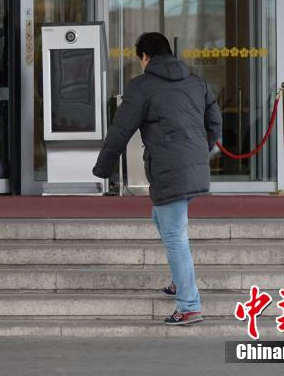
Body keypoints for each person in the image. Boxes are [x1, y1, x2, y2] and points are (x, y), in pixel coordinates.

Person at [93, 32, 221, 326]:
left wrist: (103, 168)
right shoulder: (197, 81)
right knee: (160, 218)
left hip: (168, 168)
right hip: (192, 166)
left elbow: (120, 130)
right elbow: (215, 122)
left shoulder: (142, 86)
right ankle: (180, 279)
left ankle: (189, 305)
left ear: (145, 57)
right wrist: (199, 151)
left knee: (175, 235)